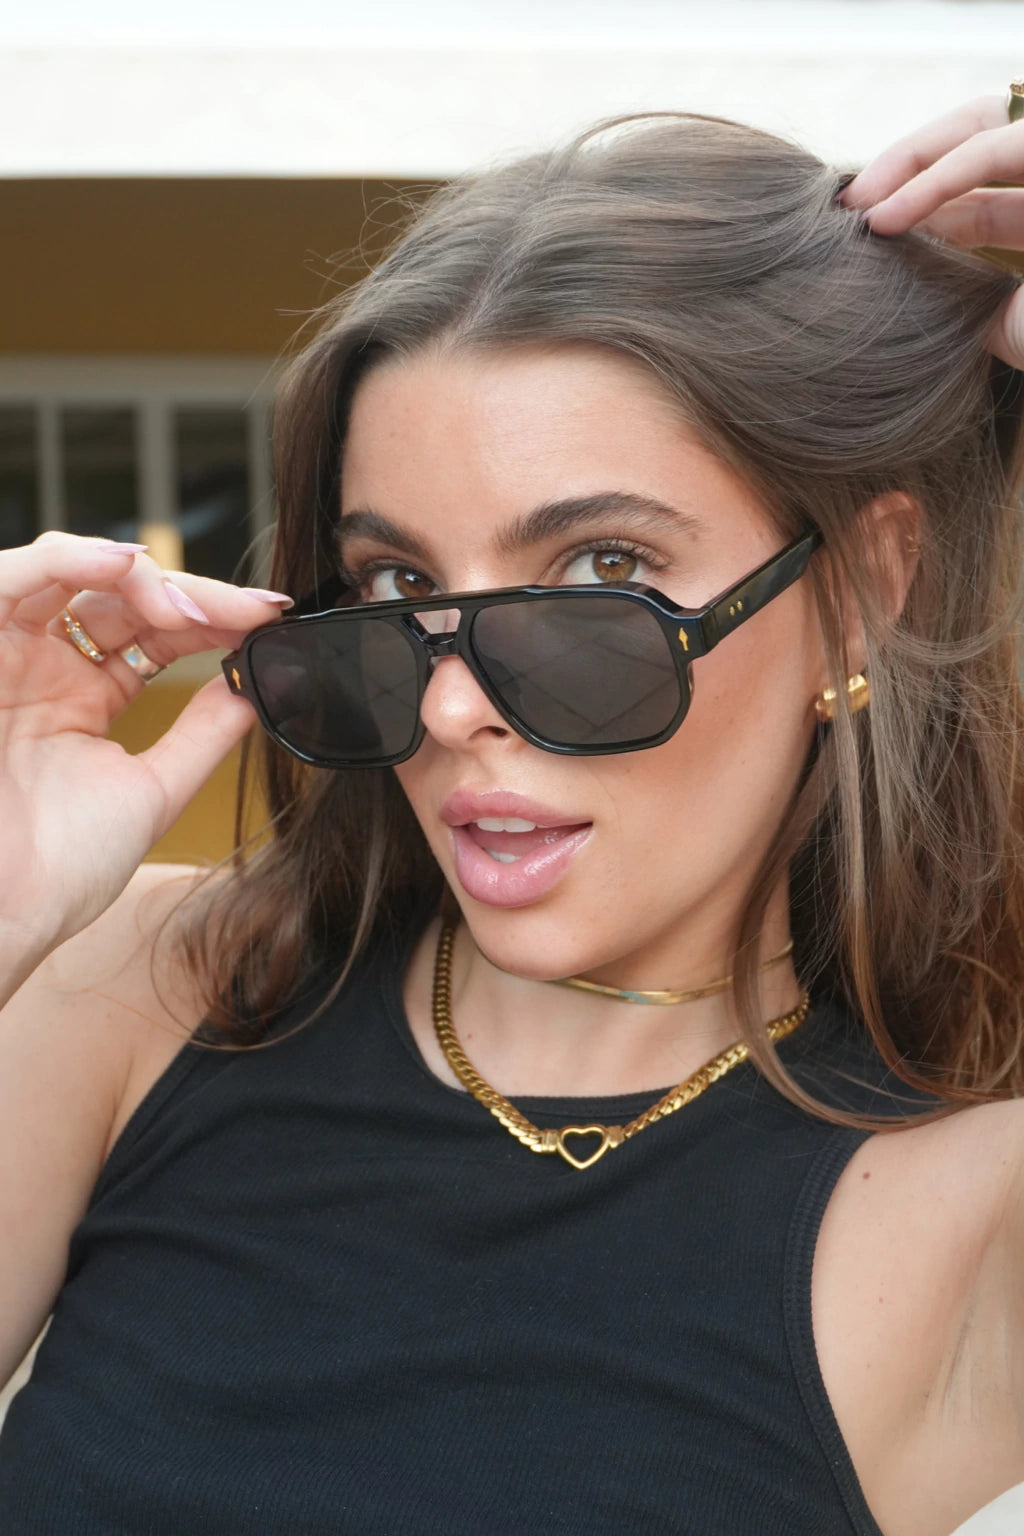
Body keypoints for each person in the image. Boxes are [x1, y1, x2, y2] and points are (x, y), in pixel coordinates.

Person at [0, 88, 1023, 1536]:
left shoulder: (970, 1216)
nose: (446, 708)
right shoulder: (152, 989)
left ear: (864, 593)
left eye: (602, 575)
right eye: (401, 587)